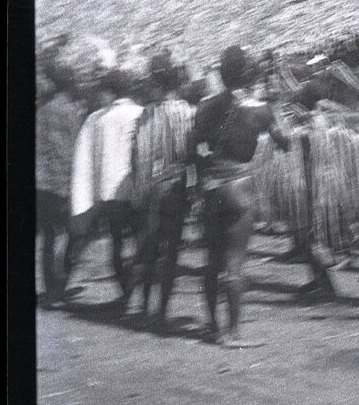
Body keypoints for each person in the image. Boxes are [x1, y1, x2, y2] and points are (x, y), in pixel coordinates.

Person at [191, 45, 291, 348]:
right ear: (249, 75)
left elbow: (193, 148)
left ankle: (212, 326)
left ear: (221, 74)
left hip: (211, 186)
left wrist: (199, 183)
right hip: (240, 186)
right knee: (235, 262)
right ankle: (233, 333)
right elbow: (284, 142)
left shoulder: (205, 106)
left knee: (211, 261)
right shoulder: (261, 110)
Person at [122, 54, 195, 328]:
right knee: (171, 251)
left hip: (150, 189)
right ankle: (162, 313)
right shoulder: (185, 111)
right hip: (175, 189)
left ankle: (142, 308)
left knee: (148, 249)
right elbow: (190, 153)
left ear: (155, 82)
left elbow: (134, 154)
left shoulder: (145, 114)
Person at [67, 68, 144, 303]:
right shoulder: (141, 113)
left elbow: (85, 159)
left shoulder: (97, 120)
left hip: (110, 195)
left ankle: (126, 293)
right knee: (140, 241)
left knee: (117, 243)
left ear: (110, 91)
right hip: (137, 190)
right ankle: (138, 292)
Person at [36, 60, 85, 307]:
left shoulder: (41, 110)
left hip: (44, 183)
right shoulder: (73, 111)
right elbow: (78, 148)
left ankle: (50, 290)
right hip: (66, 183)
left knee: (48, 237)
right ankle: (60, 286)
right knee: (73, 235)